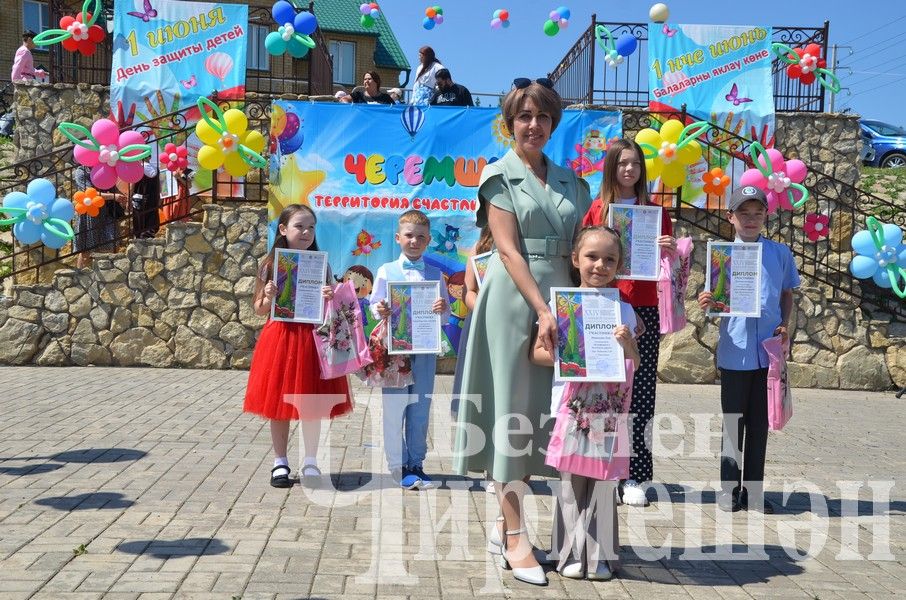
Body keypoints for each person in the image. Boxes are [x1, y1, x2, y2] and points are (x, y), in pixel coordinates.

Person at [453, 79, 592, 587]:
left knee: (543, 417)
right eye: (524, 116)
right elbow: (507, 251)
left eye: (542, 117)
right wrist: (542, 309)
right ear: (510, 123)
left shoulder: (574, 181)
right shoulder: (499, 175)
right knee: (513, 413)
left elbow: (586, 248)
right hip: (514, 301)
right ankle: (515, 537)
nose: (533, 125)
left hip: (562, 300)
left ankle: (503, 520)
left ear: (553, 123)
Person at [531, 226, 639, 581]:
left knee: (603, 484)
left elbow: (635, 362)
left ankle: (602, 554)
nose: (600, 265)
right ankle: (570, 553)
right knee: (571, 481)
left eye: (610, 259)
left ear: (619, 265)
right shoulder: (558, 305)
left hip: (608, 409)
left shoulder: (624, 311)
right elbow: (537, 353)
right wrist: (571, 354)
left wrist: (627, 347)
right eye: (592, 257)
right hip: (570, 405)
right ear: (575, 260)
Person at [581, 138, 676, 507]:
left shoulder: (655, 212)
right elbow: (587, 264)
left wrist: (670, 251)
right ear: (611, 168)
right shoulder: (597, 210)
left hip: (645, 309)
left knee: (641, 394)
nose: (629, 170)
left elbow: (667, 271)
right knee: (603, 390)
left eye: (635, 163)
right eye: (622, 163)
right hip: (604, 307)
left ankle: (635, 474)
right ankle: (600, 466)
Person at [697, 186, 799, 514]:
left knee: (759, 424)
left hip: (767, 351)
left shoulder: (780, 254)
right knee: (733, 423)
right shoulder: (721, 256)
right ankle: (729, 490)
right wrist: (707, 302)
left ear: (766, 216)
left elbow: (787, 294)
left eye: (757, 214)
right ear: (731, 217)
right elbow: (712, 298)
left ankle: (753, 492)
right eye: (744, 213)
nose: (751, 220)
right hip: (735, 351)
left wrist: (785, 325)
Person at [243, 204, 353, 489]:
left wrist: (331, 295)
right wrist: (268, 296)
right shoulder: (270, 265)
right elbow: (258, 309)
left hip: (312, 339)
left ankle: (311, 461)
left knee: (311, 402)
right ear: (283, 229)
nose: (305, 232)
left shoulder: (322, 264)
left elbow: (334, 306)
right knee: (278, 404)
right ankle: (280, 461)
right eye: (299, 226)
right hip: (280, 338)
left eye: (310, 227)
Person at [369, 209, 449, 490]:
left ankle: (416, 462)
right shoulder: (386, 270)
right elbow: (374, 305)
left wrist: (442, 308)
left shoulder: (435, 274)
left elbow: (445, 315)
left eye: (421, 237)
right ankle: (397, 464)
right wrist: (381, 309)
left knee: (420, 407)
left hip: (425, 351)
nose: (414, 241)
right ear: (398, 237)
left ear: (428, 241)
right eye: (409, 235)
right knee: (394, 407)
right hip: (395, 352)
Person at [72, 165, 126, 269]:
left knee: (113, 242)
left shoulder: (102, 168)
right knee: (86, 250)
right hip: (90, 212)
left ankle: (110, 274)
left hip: (107, 211)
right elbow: (89, 194)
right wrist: (113, 196)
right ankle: (79, 277)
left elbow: (111, 186)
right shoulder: (81, 172)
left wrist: (121, 197)